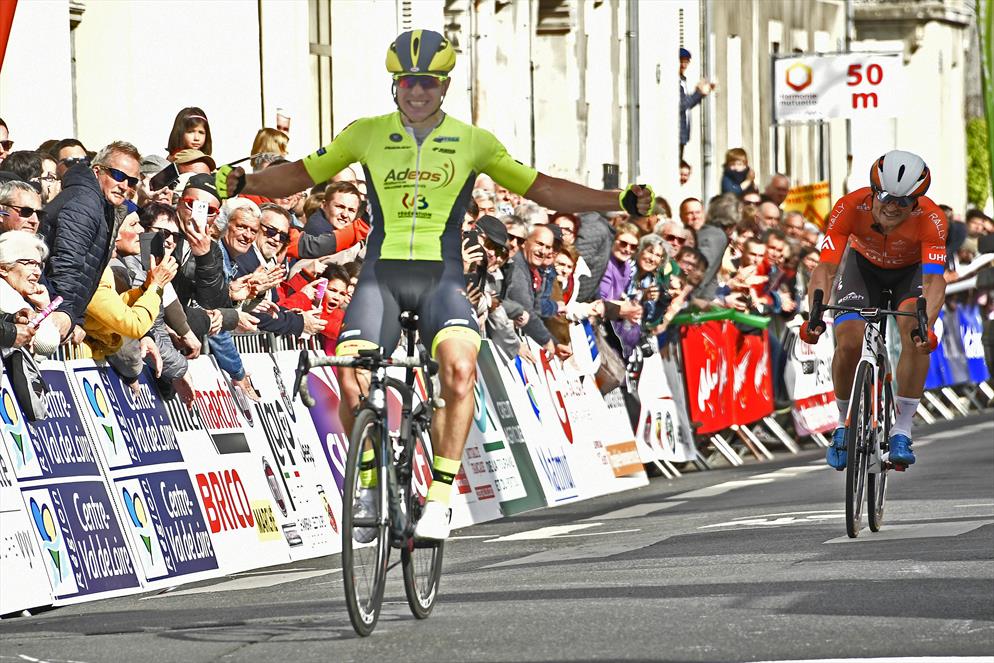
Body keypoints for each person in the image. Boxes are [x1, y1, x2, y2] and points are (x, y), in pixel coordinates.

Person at [213, 28, 653, 540]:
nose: (417, 92)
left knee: (460, 369)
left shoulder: (473, 142)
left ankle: (440, 498)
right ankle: (372, 480)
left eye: (428, 83)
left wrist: (615, 200)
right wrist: (245, 183)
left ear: (443, 86)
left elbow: (542, 187)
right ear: (394, 86)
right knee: (351, 374)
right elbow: (301, 175)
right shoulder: (366, 133)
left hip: (442, 279)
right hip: (381, 277)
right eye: (407, 83)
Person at [801, 150, 945, 470]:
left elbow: (935, 282)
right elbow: (825, 269)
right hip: (862, 269)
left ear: (917, 202)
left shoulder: (932, 219)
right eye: (885, 197)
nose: (892, 207)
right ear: (872, 190)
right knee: (849, 340)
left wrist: (927, 324)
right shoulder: (849, 207)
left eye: (904, 201)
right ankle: (842, 424)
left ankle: (902, 430)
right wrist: (814, 315)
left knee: (914, 336)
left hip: (909, 276)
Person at [678, 48, 715, 160]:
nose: (684, 65)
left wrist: (701, 94)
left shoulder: (682, 80)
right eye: (681, 61)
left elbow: (687, 105)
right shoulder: (676, 81)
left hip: (683, 134)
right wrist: (698, 93)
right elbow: (682, 105)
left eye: (686, 62)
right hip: (678, 134)